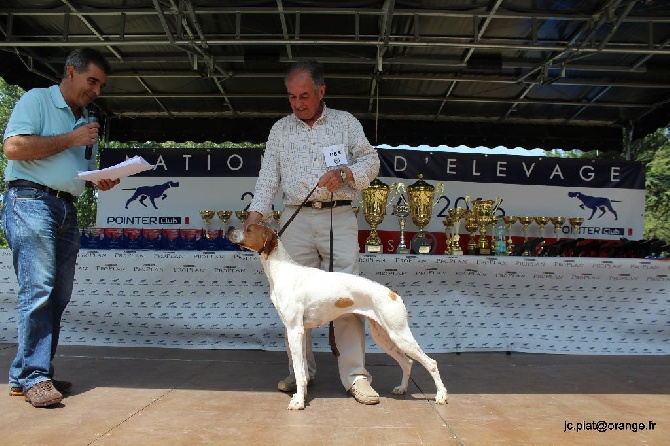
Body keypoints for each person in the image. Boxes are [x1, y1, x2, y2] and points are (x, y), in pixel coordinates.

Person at [244, 60, 381, 405]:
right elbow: (268, 179)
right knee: (292, 301)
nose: (298, 103)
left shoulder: (345, 122)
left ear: (322, 91)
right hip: (295, 217)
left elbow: (372, 161)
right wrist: (255, 214)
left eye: (304, 95)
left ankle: (356, 376)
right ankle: (300, 372)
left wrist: (347, 174)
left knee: (347, 294)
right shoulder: (280, 130)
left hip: (339, 216)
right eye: (292, 97)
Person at [2, 48, 120, 408]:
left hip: (65, 206)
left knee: (58, 294)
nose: (96, 90)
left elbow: (71, 174)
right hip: (30, 200)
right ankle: (37, 375)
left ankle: (27, 374)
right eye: (92, 81)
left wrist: (96, 182)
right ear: (71, 72)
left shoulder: (86, 118)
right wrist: (71, 139)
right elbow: (13, 147)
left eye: (101, 84)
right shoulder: (36, 100)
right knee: (39, 288)